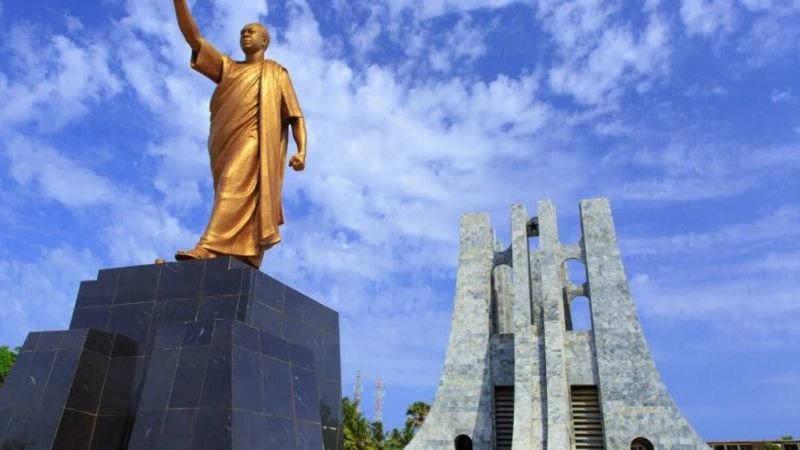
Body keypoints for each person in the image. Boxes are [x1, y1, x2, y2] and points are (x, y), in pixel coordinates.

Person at [171, 0, 307, 268]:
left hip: (256, 140)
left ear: (264, 42)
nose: (245, 34)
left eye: (251, 31)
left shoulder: (275, 73)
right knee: (229, 188)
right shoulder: (228, 68)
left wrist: (301, 150)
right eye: (243, 31)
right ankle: (243, 250)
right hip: (224, 141)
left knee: (233, 183)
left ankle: (208, 246)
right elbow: (194, 38)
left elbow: (295, 116)